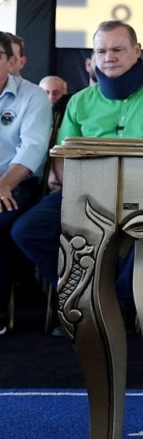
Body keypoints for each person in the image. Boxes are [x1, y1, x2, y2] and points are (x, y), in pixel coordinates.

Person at [11, 21, 143, 317]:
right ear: (93, 57)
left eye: (118, 49)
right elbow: (63, 158)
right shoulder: (79, 101)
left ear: (136, 51)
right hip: (88, 193)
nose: (110, 57)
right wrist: (81, 197)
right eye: (102, 50)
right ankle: (85, 289)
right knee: (27, 230)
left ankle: (116, 304)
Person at [0, 32, 52, 334]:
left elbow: (32, 148)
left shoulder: (32, 96)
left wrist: (3, 183)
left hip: (18, 182)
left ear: (11, 62)